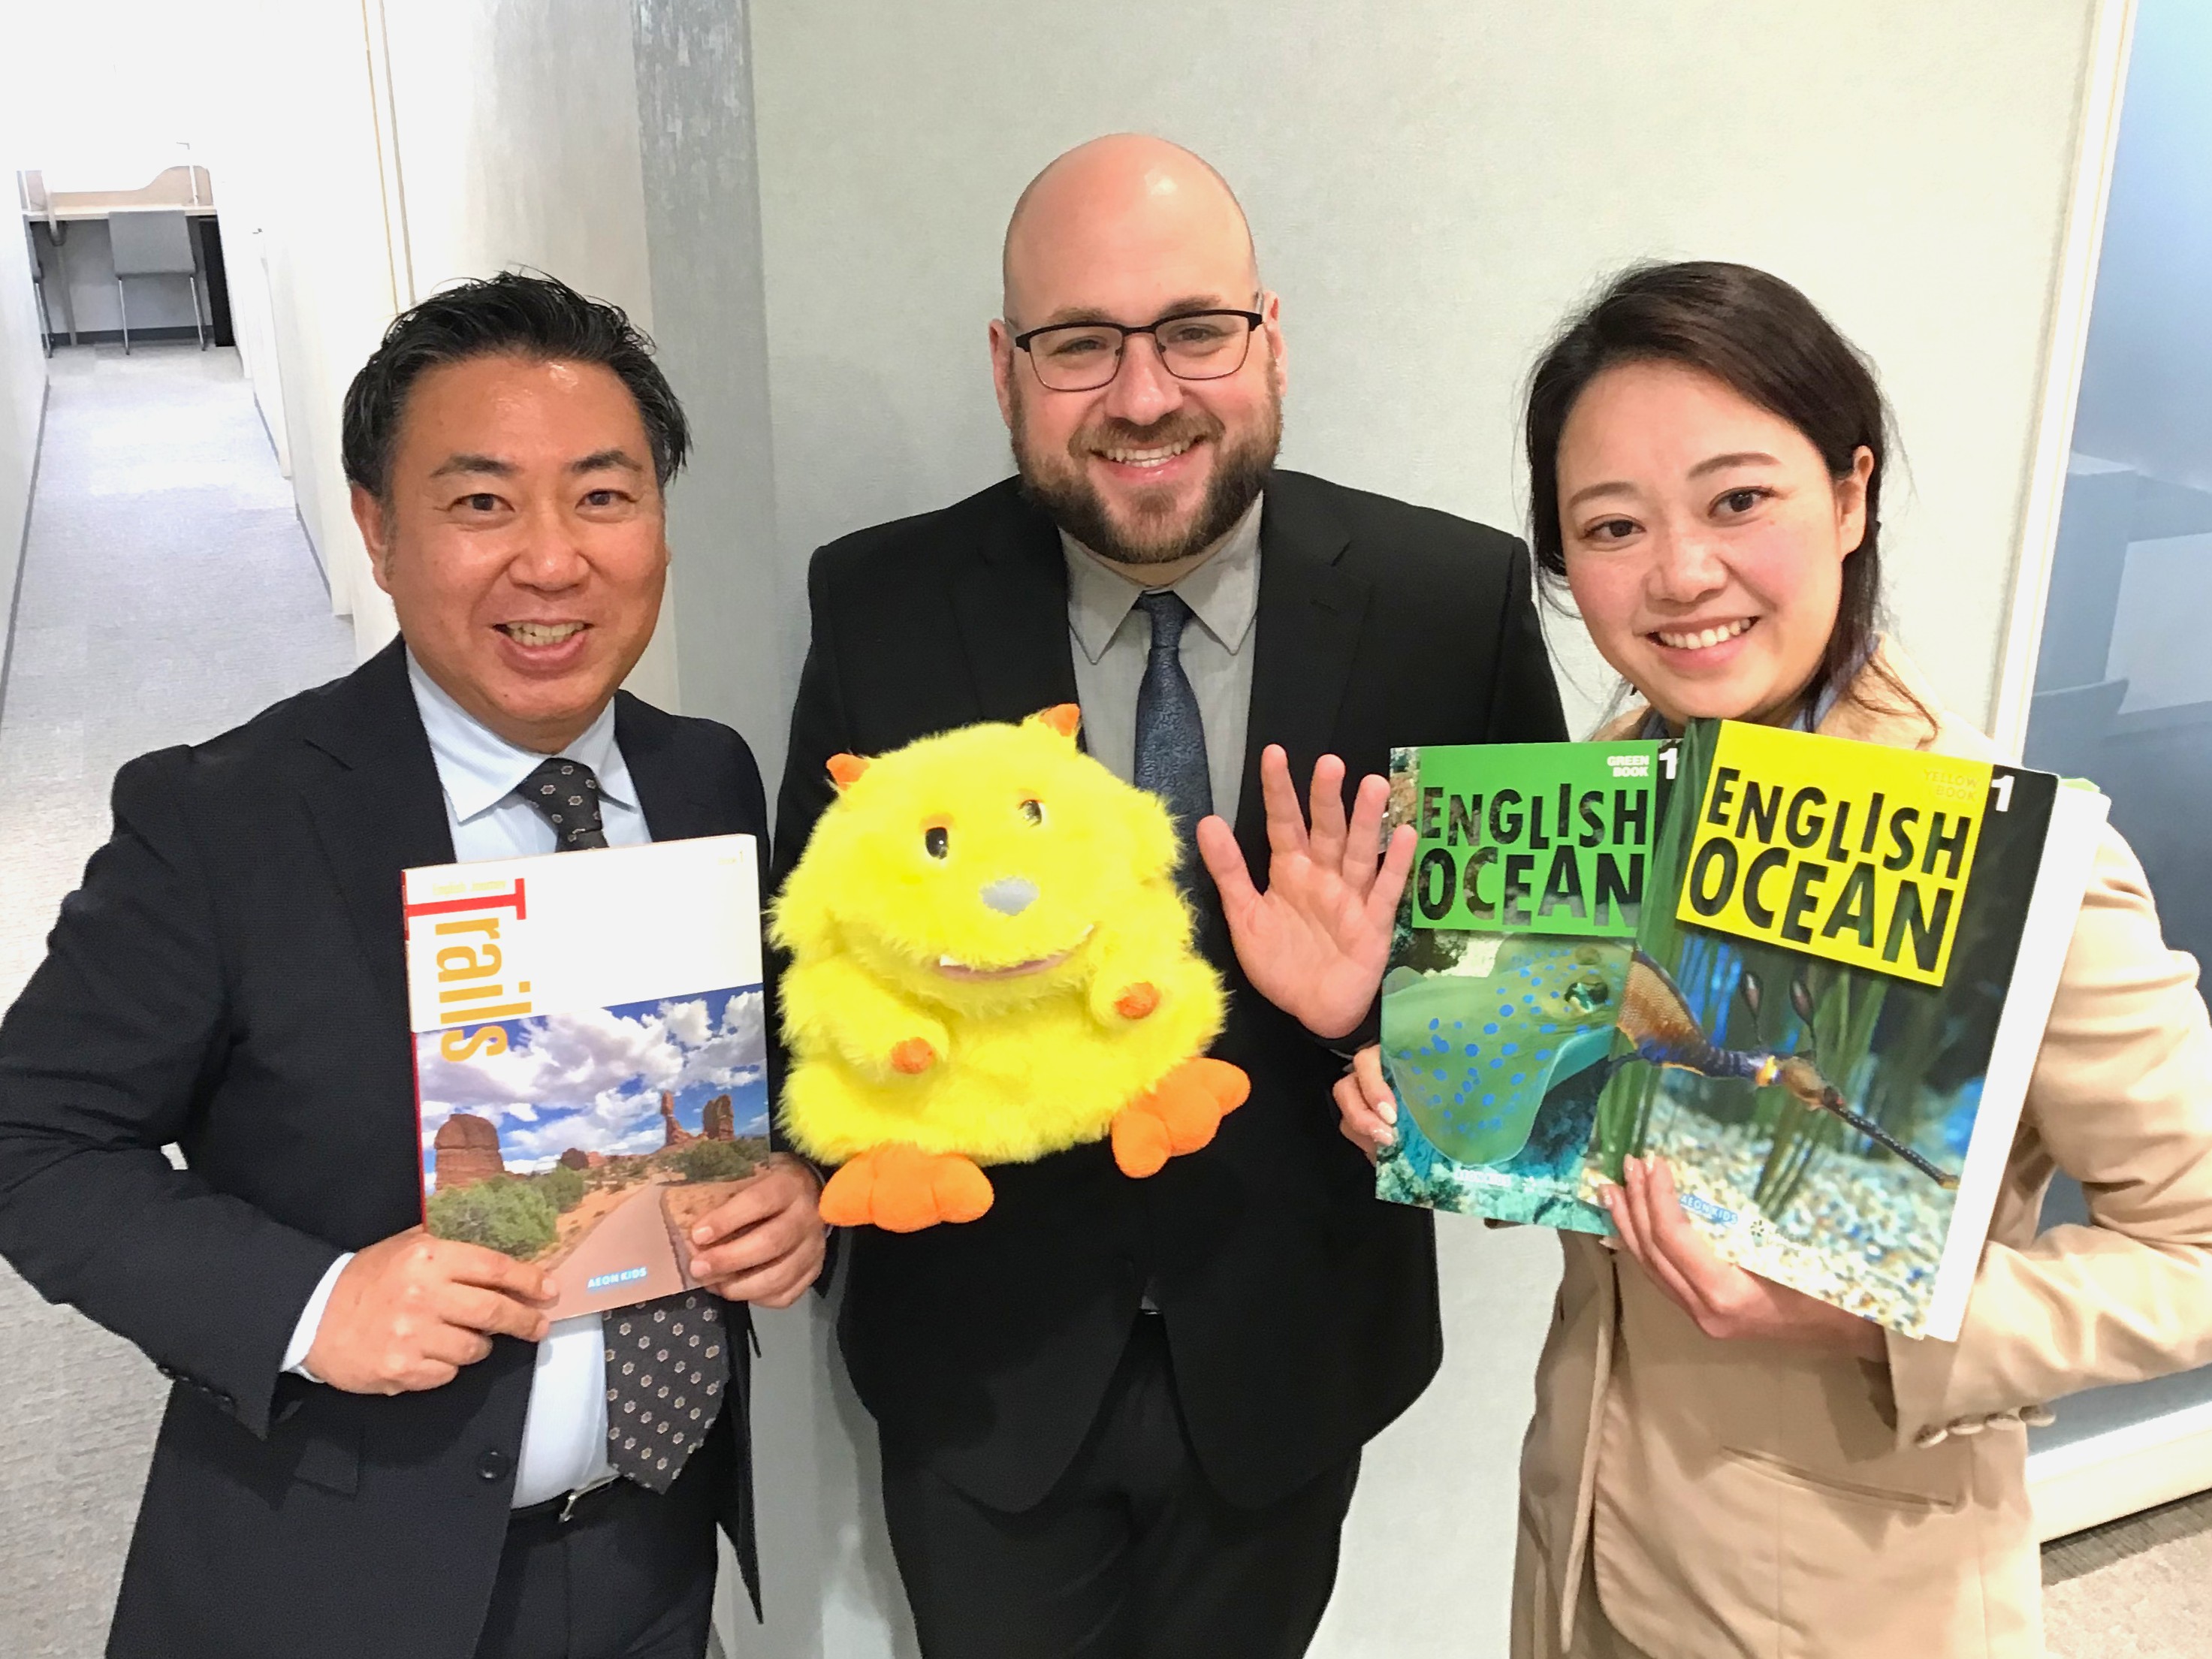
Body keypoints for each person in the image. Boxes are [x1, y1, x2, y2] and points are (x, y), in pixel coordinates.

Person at [1242, 260, 2212, 1658]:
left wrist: (1877, 1322)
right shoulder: (1595, 797)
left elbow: (2194, 1251)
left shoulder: (2014, 867)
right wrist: (1405, 1060)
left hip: (1847, 1604)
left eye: (1738, 498)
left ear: (1851, 494)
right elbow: (1592, 1148)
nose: (1681, 572)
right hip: (1579, 1554)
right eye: (1612, 524)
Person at [772, 133, 1565, 1658]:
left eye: (1196, 329)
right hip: (978, 1367)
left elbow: (1528, 1014)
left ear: (1270, 338)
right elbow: (812, 961)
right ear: (1005, 368)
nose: (1143, 394)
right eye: (1080, 343)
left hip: (1292, 1357)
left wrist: (1370, 1024)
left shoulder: (1449, 603)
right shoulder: (878, 602)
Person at [0, 273, 826, 1659]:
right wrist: (314, 1305)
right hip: (336, 1578)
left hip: (654, 1551)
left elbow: (763, 1073)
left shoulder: (705, 776)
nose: (552, 561)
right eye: (483, 501)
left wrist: (795, 1190)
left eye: (603, 495)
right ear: (378, 531)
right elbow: (31, 1139)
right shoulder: (227, 818)